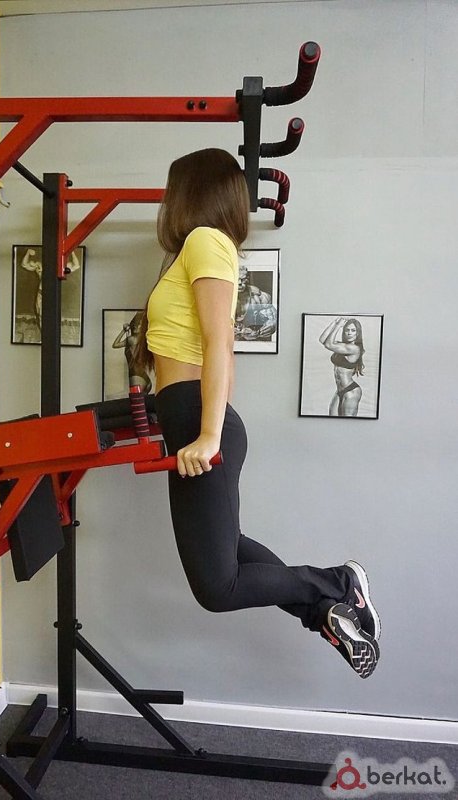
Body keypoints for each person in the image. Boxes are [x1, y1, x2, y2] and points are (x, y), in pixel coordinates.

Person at [134, 149, 381, 679]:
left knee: (217, 587)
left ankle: (339, 583)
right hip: (189, 416)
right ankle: (328, 610)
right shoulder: (196, 250)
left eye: (172, 191)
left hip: (199, 421)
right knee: (230, 553)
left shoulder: (205, 240)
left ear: (191, 192)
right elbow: (207, 349)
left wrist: (208, 434)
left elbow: (220, 343)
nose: (166, 202)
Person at [319, 317, 364, 417]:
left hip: (351, 391)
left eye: (353, 330)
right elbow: (322, 340)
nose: (349, 333)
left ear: (357, 333)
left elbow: (329, 344)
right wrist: (335, 323)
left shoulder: (354, 348)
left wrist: (339, 326)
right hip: (339, 390)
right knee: (332, 419)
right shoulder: (342, 346)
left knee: (347, 423)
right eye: (347, 330)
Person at [112, 312, 153, 393]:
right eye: (135, 324)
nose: (136, 326)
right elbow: (115, 345)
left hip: (136, 377)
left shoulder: (132, 339)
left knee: (137, 401)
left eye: (139, 324)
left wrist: (123, 331)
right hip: (144, 377)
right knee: (144, 401)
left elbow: (115, 345)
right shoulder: (144, 340)